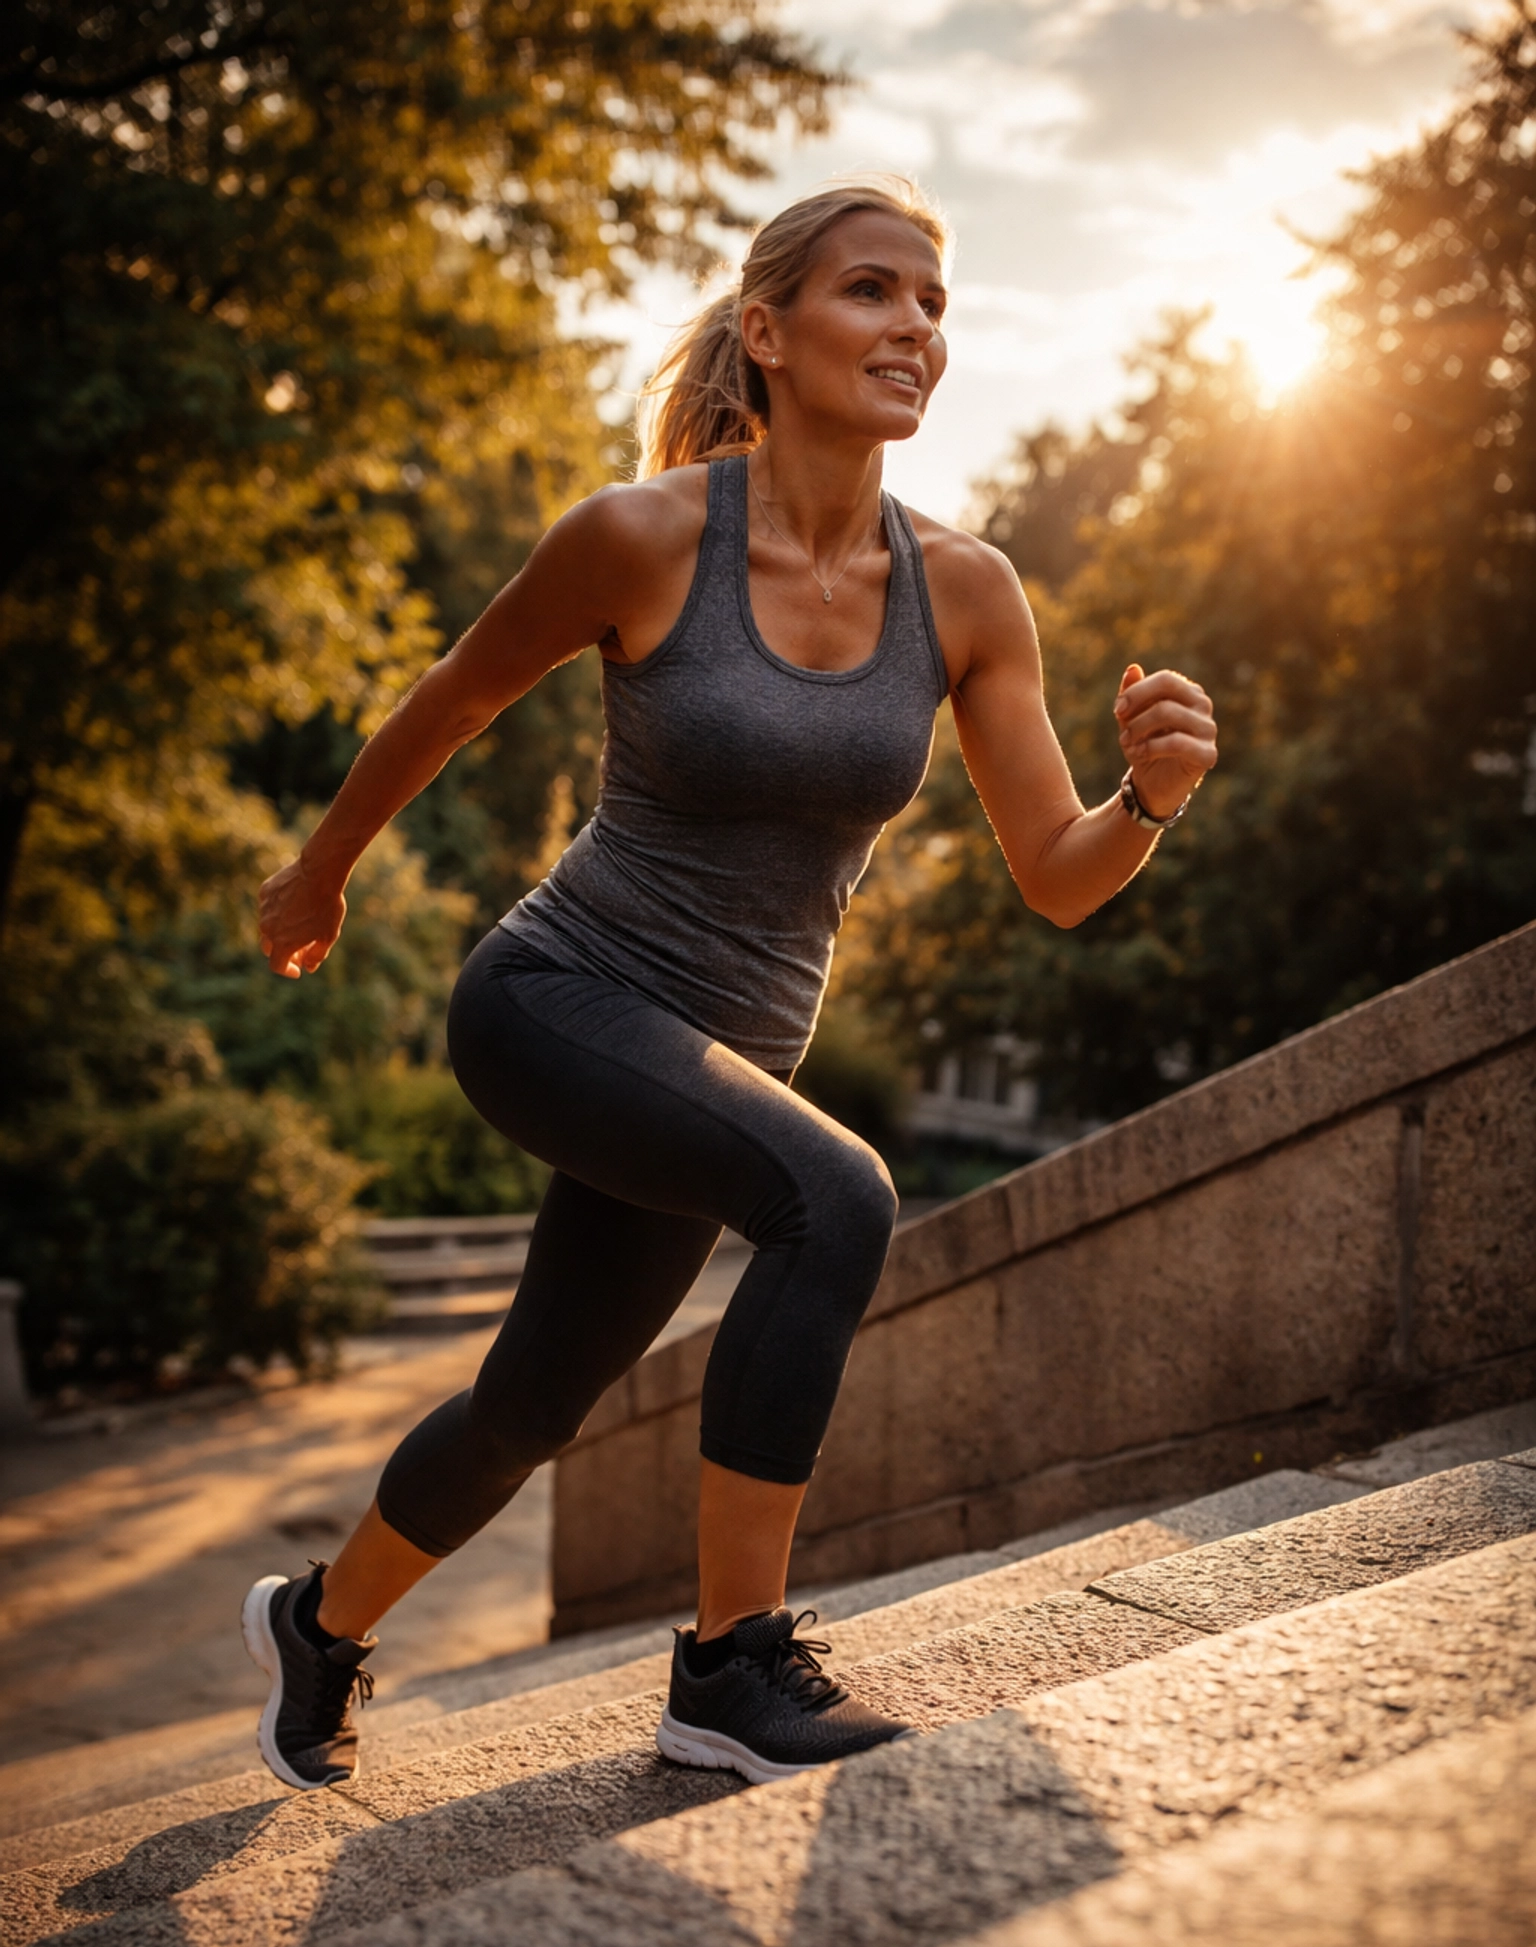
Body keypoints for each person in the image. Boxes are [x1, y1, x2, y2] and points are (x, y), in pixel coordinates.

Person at [245, 176, 1218, 1794]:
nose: (915, 325)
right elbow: (452, 700)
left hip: (712, 1070)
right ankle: (730, 1667)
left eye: (934, 303)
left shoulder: (965, 592)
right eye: (872, 292)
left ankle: (321, 1626)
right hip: (554, 996)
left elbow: (1056, 874)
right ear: (768, 334)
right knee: (836, 1199)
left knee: (528, 1409)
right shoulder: (644, 539)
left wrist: (1151, 803)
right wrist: (324, 868)